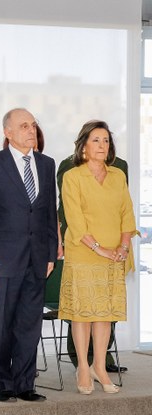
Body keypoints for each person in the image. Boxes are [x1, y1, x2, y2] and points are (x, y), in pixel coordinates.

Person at [0, 108, 57, 403]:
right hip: (2, 259)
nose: (31, 130)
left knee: (30, 324)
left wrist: (52, 252)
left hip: (38, 258)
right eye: (24, 125)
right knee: (2, 325)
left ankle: (25, 383)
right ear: (8, 132)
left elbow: (48, 213)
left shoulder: (46, 164)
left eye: (33, 125)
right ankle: (3, 383)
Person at [58, 120, 135, 395]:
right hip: (84, 253)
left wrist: (123, 248)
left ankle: (100, 367)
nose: (102, 145)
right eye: (96, 140)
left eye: (106, 140)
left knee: (104, 314)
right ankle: (82, 366)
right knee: (82, 314)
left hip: (115, 254)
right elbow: (75, 221)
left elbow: (127, 212)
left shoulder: (117, 176)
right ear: (84, 147)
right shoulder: (72, 176)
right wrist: (100, 248)